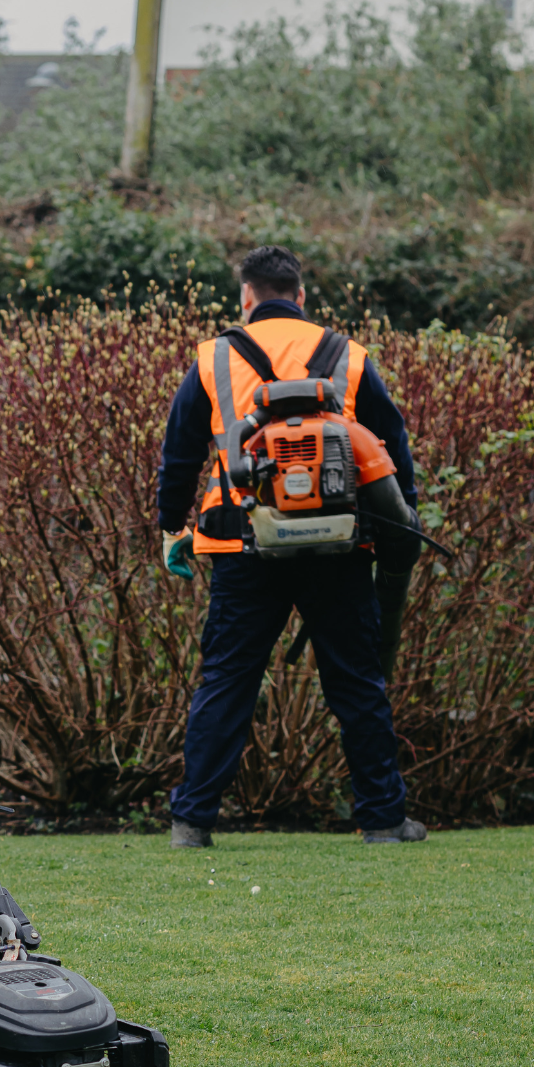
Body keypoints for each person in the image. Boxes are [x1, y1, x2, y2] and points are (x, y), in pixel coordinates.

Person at [154, 245, 427, 849]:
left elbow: (179, 455)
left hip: (238, 542)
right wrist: (400, 522)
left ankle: (191, 823)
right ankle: (383, 820)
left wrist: (172, 526)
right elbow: (392, 444)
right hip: (341, 543)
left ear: (246, 298)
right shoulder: (350, 358)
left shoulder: (214, 358)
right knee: (356, 682)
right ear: (301, 296)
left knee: (227, 680)